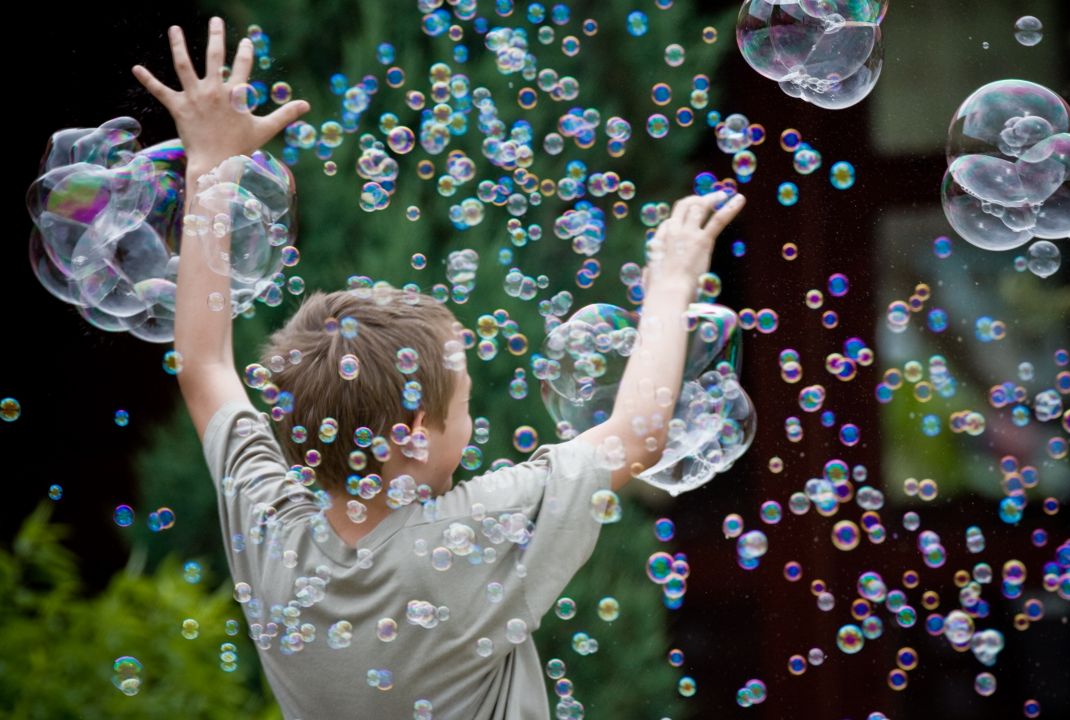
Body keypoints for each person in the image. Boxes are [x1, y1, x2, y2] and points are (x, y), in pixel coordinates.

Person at [131, 16, 746, 719]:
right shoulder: (471, 535)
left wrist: (209, 162)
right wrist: (671, 283)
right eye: (464, 400)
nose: (474, 416)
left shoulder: (272, 534)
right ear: (415, 433)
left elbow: (206, 365)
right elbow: (638, 434)